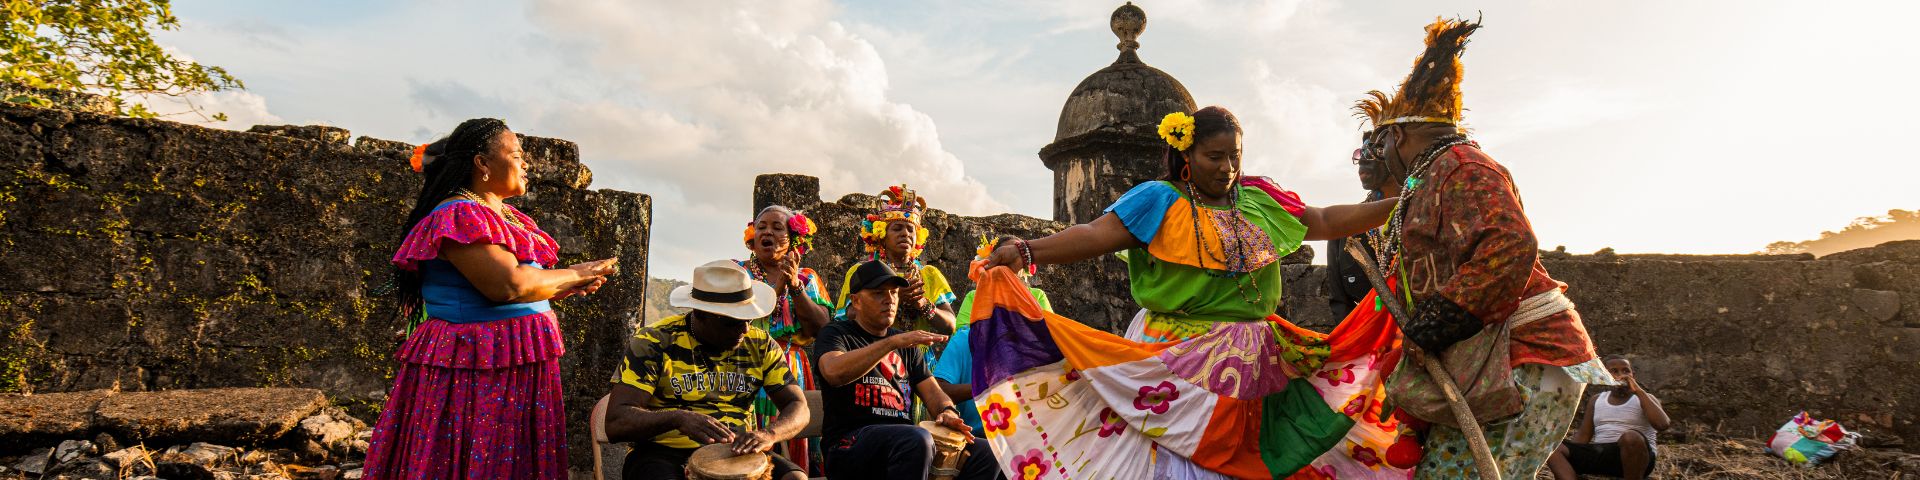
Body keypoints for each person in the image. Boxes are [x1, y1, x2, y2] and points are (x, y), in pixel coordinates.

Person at [975, 105, 1410, 479]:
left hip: (1255, 361)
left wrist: (1402, 204)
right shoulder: (1158, 200)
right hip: (1173, 361)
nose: (1227, 168)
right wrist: (1029, 249)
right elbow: (1094, 233)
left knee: (1256, 458)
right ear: (1185, 155)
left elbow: (1326, 220)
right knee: (1177, 461)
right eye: (1214, 157)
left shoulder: (1258, 199)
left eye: (1234, 157)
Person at [1353, 18, 1611, 479]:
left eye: (1378, 143)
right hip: (1501, 362)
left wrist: (1446, 316)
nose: (1377, 155)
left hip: (1526, 357)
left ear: (1396, 136)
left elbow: (1512, 243)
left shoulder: (1461, 165)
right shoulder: (1433, 176)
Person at [365, 118, 618, 479]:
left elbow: (521, 289)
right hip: (477, 362)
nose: (526, 164)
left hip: (512, 357)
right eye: (516, 154)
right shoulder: (459, 214)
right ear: (482, 163)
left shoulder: (505, 216)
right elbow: (506, 287)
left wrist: (564, 284)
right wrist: (576, 274)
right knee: (475, 457)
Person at [604, 260, 809, 480]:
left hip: (736, 451)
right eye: (733, 322)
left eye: (749, 318)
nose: (745, 329)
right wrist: (677, 419)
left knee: (795, 478)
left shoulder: (760, 344)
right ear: (700, 313)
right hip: (663, 453)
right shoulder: (654, 341)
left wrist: (769, 434)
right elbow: (616, 422)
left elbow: (798, 406)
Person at [814, 260, 1001, 480]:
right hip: (848, 445)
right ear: (855, 301)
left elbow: (934, 393)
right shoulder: (836, 333)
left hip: (905, 446)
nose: (890, 299)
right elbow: (833, 372)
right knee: (915, 439)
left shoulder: (905, 344)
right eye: (878, 293)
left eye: (894, 292)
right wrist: (891, 343)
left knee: (988, 453)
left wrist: (948, 412)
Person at [735, 205, 833, 473]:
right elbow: (736, 319)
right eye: (762, 226)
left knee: (788, 432)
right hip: (743, 362)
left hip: (789, 365)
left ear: (793, 238)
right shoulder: (737, 273)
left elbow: (822, 328)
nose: (767, 231)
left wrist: (796, 288)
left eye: (777, 227)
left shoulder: (807, 278)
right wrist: (777, 290)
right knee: (746, 440)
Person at [935, 237, 1056, 434]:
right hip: (978, 439)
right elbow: (939, 390)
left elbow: (1049, 334)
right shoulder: (966, 339)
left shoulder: (1037, 300)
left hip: (1030, 441)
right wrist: (988, 385)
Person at [834, 184, 958, 335]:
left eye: (910, 229)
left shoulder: (929, 275)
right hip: (875, 353)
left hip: (917, 355)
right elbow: (847, 316)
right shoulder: (862, 271)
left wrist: (922, 303)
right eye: (897, 228)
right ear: (882, 236)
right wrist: (894, 296)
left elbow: (950, 326)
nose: (905, 234)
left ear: (917, 237)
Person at [1548, 357, 1671, 480]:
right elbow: (1583, 436)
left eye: (1626, 371)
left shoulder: (1645, 398)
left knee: (1630, 437)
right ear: (1605, 376)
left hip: (1637, 458)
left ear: (1633, 375)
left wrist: (1638, 391)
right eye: (1614, 371)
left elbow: (1662, 424)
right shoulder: (1596, 400)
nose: (1621, 375)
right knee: (1553, 446)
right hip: (1602, 455)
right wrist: (1572, 454)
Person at [1325, 137, 1385, 320]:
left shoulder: (1419, 217)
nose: (1363, 161)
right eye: (1361, 154)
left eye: (1375, 152)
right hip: (1363, 337)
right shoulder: (1344, 228)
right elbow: (1340, 302)